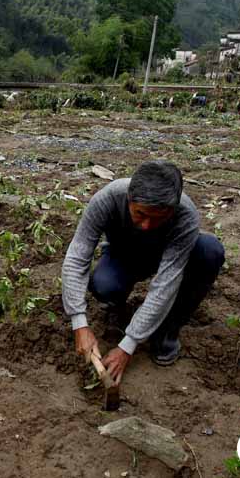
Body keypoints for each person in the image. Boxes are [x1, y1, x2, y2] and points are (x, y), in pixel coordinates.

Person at [61, 161, 225, 385]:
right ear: (129, 198)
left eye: (158, 218)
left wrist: (127, 346)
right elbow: (77, 256)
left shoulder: (186, 215)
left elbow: (166, 284)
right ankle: (119, 307)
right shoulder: (108, 198)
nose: (147, 225)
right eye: (140, 214)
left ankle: (167, 330)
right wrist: (79, 322)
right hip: (124, 254)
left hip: (169, 257)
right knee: (104, 285)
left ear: (173, 208)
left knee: (209, 250)